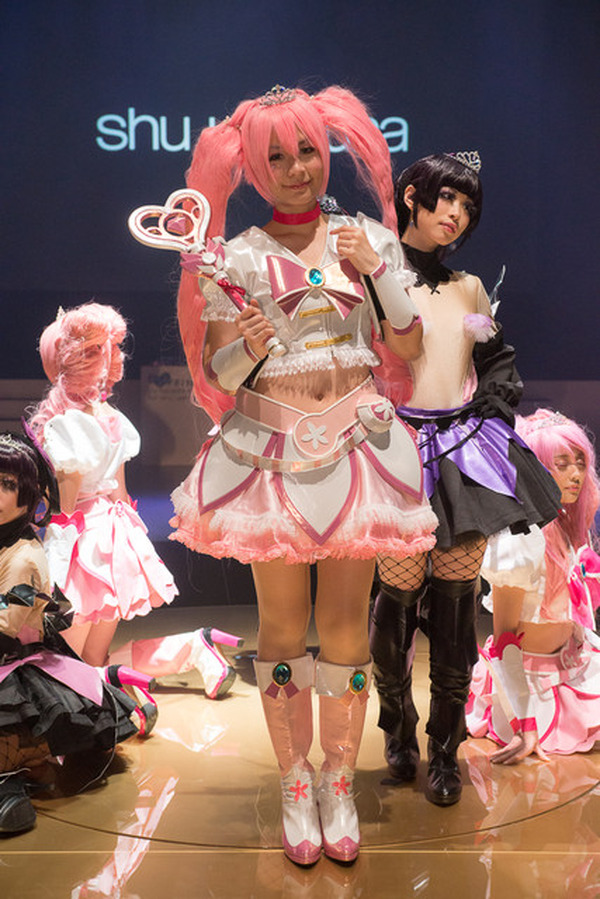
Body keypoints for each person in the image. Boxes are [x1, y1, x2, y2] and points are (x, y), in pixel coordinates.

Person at [169, 83, 438, 864]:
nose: (297, 169)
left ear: (329, 153)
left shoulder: (367, 239)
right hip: (269, 456)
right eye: (277, 157)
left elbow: (410, 346)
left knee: (349, 628)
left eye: (309, 152)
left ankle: (337, 781)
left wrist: (377, 270)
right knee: (283, 626)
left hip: (356, 449)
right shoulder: (235, 257)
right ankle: (296, 783)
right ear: (253, 169)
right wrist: (249, 345)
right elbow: (220, 372)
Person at [369, 153, 562, 806]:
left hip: (460, 450)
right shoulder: (372, 272)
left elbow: (494, 358)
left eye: (468, 206)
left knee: (455, 606)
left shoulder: (470, 286)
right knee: (395, 600)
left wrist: (490, 407)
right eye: (447, 198)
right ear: (413, 196)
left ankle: (446, 749)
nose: (456, 213)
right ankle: (397, 725)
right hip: (393, 447)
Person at [29, 302, 242, 710]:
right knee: (92, 659)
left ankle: (128, 704)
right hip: (114, 537)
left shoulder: (66, 425)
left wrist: (42, 548)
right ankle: (190, 649)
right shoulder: (112, 417)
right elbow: (120, 496)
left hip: (81, 546)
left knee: (63, 665)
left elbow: (66, 507)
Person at [0, 431, 139, 834]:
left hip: (13, 668)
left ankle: (12, 784)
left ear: (30, 495)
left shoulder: (23, 557)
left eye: (7, 483)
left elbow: (5, 626)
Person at [467, 409, 600, 760]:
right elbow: (503, 639)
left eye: (580, 463)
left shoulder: (570, 528)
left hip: (576, 668)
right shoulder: (518, 539)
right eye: (562, 464)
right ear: (534, 468)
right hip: (528, 686)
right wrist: (524, 725)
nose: (576, 475)